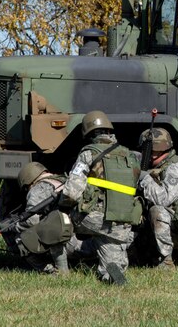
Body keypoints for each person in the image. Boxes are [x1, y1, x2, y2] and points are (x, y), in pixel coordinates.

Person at [61, 110, 140, 285]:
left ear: (88, 133)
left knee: (57, 223)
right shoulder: (130, 155)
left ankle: (60, 265)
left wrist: (62, 208)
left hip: (93, 218)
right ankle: (111, 273)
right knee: (111, 253)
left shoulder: (88, 153)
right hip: (122, 221)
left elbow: (71, 192)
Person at [137, 127, 178, 268]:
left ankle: (166, 261)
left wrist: (145, 178)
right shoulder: (157, 166)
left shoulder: (177, 168)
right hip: (172, 224)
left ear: (154, 152)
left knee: (157, 211)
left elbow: (162, 199)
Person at [13, 162, 71, 275]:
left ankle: (54, 271)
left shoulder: (39, 189)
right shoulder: (62, 180)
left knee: (21, 238)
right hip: (86, 240)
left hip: (67, 240)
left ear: (28, 181)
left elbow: (32, 220)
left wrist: (15, 227)